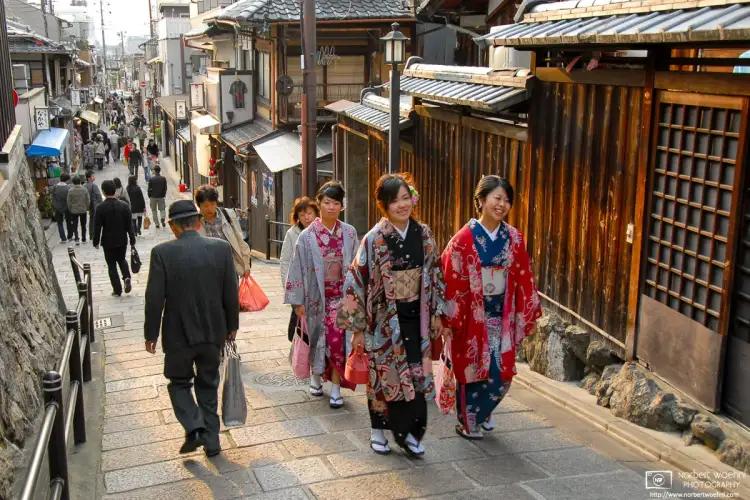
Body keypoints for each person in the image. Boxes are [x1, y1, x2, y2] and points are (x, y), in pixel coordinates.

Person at [337, 173, 447, 457]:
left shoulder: (424, 234)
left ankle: (412, 431)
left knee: (417, 375)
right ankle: (378, 430)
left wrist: (437, 313)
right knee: (383, 378)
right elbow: (356, 280)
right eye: (395, 200)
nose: (402, 205)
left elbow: (435, 272)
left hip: (417, 317)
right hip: (383, 321)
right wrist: (357, 328)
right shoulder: (374, 239)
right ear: (383, 205)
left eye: (405, 198)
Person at [441, 176, 542, 439]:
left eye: (507, 200)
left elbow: (524, 274)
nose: (502, 204)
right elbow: (450, 278)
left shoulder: (514, 237)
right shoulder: (462, 240)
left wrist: (525, 309)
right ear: (481, 200)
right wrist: (448, 319)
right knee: (471, 370)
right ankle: (468, 422)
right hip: (471, 317)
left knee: (501, 374)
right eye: (497, 198)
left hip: (501, 315)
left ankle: (483, 412)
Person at [144, 200, 240, 457]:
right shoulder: (220, 249)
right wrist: (232, 326)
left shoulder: (162, 253)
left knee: (178, 382)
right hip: (213, 332)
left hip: (178, 335)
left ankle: (193, 425)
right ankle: (212, 441)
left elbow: (154, 298)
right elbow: (230, 292)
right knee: (208, 382)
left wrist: (150, 334)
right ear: (198, 222)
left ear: (172, 226)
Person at [284, 181, 359, 408]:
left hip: (341, 298)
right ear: (319, 203)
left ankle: (336, 387)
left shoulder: (349, 232)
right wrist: (297, 301)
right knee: (316, 339)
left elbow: (357, 265)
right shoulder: (306, 236)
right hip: (316, 296)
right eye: (327, 202)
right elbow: (295, 267)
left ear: (342, 206)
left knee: (338, 343)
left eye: (336, 203)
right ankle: (316, 378)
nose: (331, 207)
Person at [279, 197, 319, 341]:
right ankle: (299, 345)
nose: (307, 217)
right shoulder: (292, 233)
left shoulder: (321, 230)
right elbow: (285, 261)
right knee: (299, 319)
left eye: (309, 213)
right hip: (300, 284)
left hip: (318, 284)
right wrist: (288, 287)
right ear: (297, 217)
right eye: (302, 215)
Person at [195, 185, 252, 278]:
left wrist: (246, 266)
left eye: (212, 204)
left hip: (230, 267)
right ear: (199, 205)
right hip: (207, 271)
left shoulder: (228, 215)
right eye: (205, 205)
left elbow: (240, 241)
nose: (209, 208)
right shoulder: (195, 222)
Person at [93, 180, 135, 297]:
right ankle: (126, 277)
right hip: (122, 239)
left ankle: (117, 289)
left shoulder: (100, 208)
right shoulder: (124, 206)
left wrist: (95, 241)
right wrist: (132, 239)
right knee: (122, 259)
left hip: (108, 240)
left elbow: (97, 226)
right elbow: (129, 224)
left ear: (104, 192)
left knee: (111, 265)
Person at [66, 175, 90, 244]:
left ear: (73, 182)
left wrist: (70, 209)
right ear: (80, 181)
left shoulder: (70, 191)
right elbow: (88, 200)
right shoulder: (84, 189)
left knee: (75, 225)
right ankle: (84, 239)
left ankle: (76, 238)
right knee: (83, 225)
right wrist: (86, 207)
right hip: (83, 210)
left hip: (74, 210)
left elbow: (68, 202)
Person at [51, 173, 73, 244]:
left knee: (59, 223)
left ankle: (63, 238)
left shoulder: (55, 187)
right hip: (67, 207)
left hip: (57, 207)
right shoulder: (68, 188)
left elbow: (53, 196)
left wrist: (54, 206)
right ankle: (70, 236)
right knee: (69, 222)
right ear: (67, 180)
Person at [84, 170, 103, 242]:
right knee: (96, 221)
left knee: (91, 220)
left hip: (89, 205)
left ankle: (91, 235)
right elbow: (99, 196)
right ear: (89, 178)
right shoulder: (94, 185)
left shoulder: (84, 185)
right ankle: (95, 235)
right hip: (95, 205)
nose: (94, 177)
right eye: (92, 176)